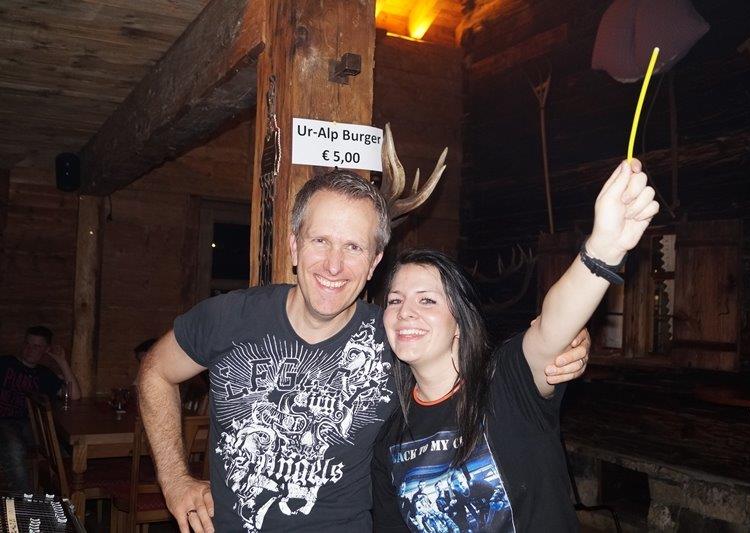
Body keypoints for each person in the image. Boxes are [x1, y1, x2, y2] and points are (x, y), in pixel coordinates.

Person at [137, 170, 590, 533]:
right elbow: (156, 370)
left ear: (374, 263)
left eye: (353, 247)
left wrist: (557, 345)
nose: (334, 265)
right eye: (320, 241)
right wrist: (174, 480)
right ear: (293, 245)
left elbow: (472, 361)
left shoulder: (398, 334)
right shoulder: (228, 317)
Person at [371, 159, 658, 532]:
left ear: (459, 321)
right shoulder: (390, 439)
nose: (405, 311)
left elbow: (553, 327)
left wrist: (604, 247)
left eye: (427, 300)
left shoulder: (505, 382)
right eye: (395, 300)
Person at [0, 326, 82, 490]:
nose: (30, 349)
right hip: (4, 421)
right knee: (15, 449)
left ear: (45, 350)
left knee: (62, 451)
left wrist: (62, 362)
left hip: (31, 424)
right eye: (28, 344)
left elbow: (74, 395)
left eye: (37, 346)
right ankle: (24, 501)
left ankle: (64, 498)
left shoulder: (44, 374)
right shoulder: (5, 363)